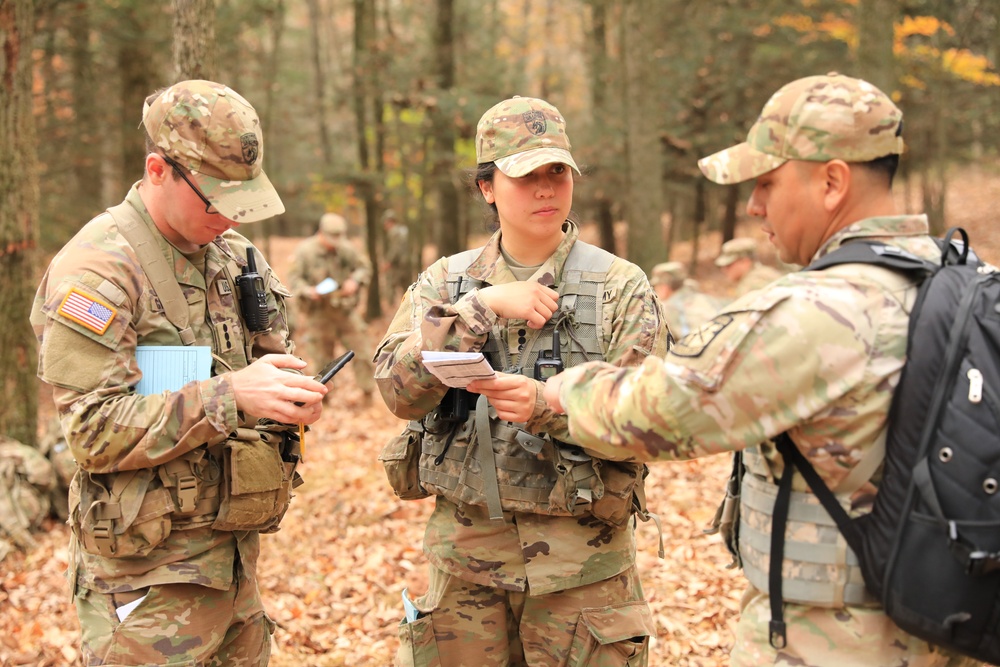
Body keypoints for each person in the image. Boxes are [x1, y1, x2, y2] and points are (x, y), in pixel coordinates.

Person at [543, 73, 978, 666]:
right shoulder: (964, 280)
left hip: (833, 643)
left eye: (768, 182)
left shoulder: (816, 312)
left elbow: (659, 411)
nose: (753, 204)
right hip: (952, 626)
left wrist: (563, 389)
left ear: (832, 181)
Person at [29, 80, 328, 665]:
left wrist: (284, 393)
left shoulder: (233, 255)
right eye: (213, 198)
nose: (228, 216)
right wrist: (232, 394)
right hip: (146, 582)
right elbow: (91, 430)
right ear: (158, 169)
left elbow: (258, 364)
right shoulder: (98, 270)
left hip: (234, 563)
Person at [374, 95, 668, 665]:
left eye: (557, 172)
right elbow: (395, 392)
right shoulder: (446, 283)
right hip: (465, 570)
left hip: (582, 575)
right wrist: (474, 311)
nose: (545, 189)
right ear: (487, 188)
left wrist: (547, 407)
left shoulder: (619, 287)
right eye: (525, 175)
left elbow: (652, 420)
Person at [286, 212, 376, 403]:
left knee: (362, 351)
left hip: (344, 311)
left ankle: (367, 393)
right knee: (321, 357)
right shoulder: (304, 252)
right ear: (321, 233)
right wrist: (308, 291)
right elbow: (294, 280)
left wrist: (355, 280)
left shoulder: (347, 249)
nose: (335, 242)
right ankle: (324, 399)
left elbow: (364, 267)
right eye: (331, 237)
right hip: (318, 313)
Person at [649, 260, 724, 338]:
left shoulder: (666, 309)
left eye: (656, 287)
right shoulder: (707, 299)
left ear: (664, 287)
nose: (656, 291)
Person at [715, 237, 784, 299]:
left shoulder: (754, 282)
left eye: (729, 265)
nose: (724, 269)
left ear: (745, 262)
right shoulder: (762, 273)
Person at [381, 209, 412, 304]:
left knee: (391, 285)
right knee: (406, 286)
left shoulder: (394, 232)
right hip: (406, 262)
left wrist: (388, 262)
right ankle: (408, 304)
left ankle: (392, 307)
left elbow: (395, 249)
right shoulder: (403, 230)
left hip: (397, 264)